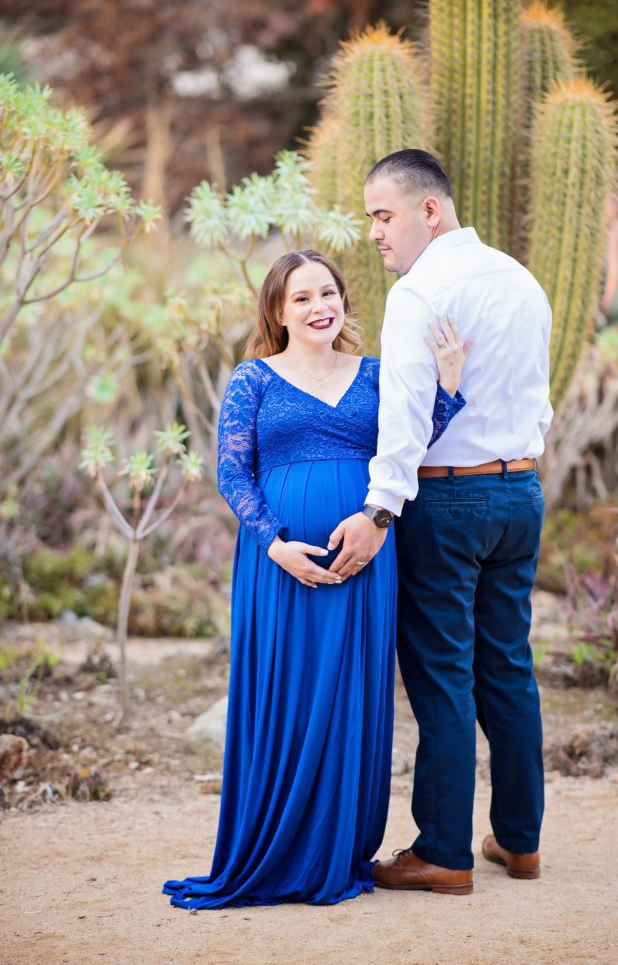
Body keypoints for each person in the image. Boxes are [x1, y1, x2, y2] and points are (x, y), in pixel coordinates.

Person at [162, 249, 468, 909]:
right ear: (277, 310)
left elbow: (411, 446)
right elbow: (231, 472)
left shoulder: (377, 375)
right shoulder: (253, 378)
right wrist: (275, 544)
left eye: (327, 292)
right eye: (301, 297)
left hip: (366, 560)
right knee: (286, 694)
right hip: (277, 566)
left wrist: (446, 386)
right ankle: (273, 848)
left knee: (349, 695)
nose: (319, 306)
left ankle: (334, 848)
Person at [328, 149, 553, 895]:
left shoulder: (419, 293)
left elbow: (403, 421)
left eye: (383, 215)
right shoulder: (521, 281)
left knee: (442, 676)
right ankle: (519, 841)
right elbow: (539, 399)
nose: (374, 232)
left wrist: (378, 509)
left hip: (448, 501)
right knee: (508, 668)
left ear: (430, 210)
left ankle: (444, 852)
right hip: (520, 492)